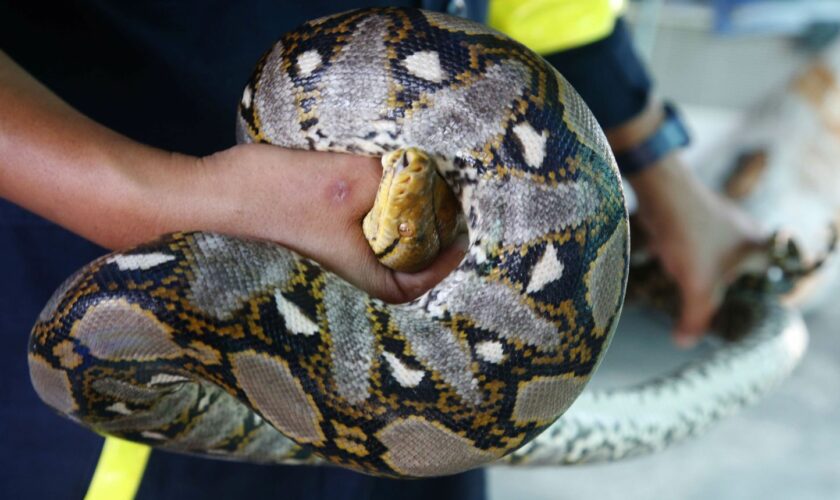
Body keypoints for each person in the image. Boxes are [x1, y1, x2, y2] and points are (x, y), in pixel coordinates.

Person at [0, 0, 762, 498]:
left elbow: (555, 12)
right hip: (142, 365)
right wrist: (151, 202)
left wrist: (663, 172)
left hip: (427, 416)